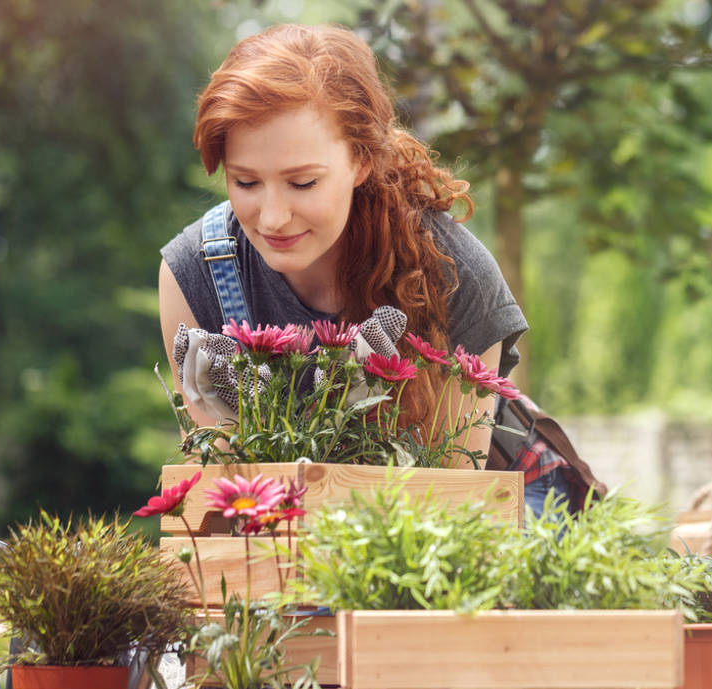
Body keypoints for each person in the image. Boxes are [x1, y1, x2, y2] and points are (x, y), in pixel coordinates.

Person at [158, 24, 528, 474]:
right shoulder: (196, 273)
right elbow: (217, 500)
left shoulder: (456, 275)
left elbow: (449, 507)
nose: (272, 218)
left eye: (303, 182)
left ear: (361, 160)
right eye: (246, 182)